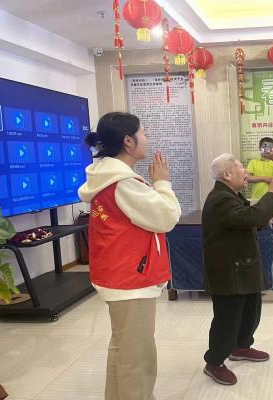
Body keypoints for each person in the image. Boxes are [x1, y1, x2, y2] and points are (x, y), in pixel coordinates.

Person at [78, 112, 182, 400]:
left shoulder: (109, 177)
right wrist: (163, 183)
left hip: (120, 274)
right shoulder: (123, 182)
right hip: (130, 279)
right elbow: (167, 217)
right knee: (137, 357)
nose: (147, 138)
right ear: (128, 141)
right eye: (143, 132)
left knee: (123, 349)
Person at [202, 153, 273, 385]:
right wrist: (272, 193)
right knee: (227, 319)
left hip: (242, 266)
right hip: (229, 270)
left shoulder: (232, 196)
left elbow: (248, 221)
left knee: (250, 310)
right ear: (227, 174)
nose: (246, 172)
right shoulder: (220, 199)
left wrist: (267, 218)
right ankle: (214, 362)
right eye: (241, 167)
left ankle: (241, 346)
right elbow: (251, 217)